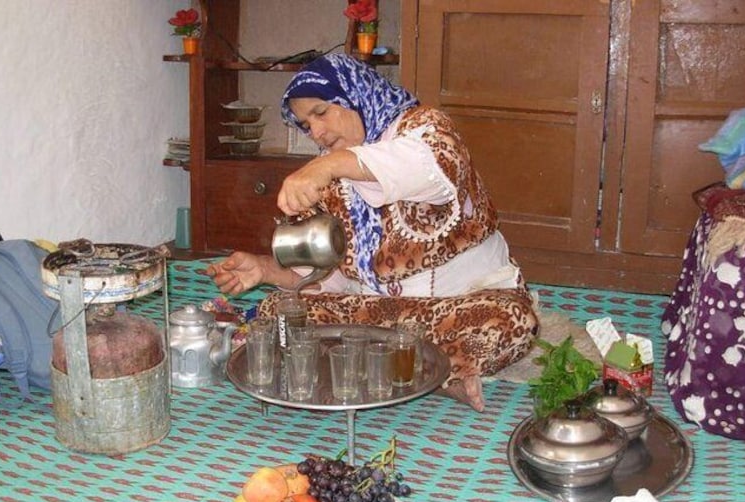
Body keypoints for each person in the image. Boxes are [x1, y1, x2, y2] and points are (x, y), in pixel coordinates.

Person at [207, 53, 538, 411]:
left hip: (461, 306)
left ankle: (409, 369)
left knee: (512, 321)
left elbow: (430, 169)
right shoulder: (332, 178)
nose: (316, 132)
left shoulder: (424, 128)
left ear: (356, 94)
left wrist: (328, 165)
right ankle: (420, 371)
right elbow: (331, 277)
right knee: (280, 311)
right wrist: (265, 269)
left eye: (321, 112)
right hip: (382, 317)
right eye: (305, 125)